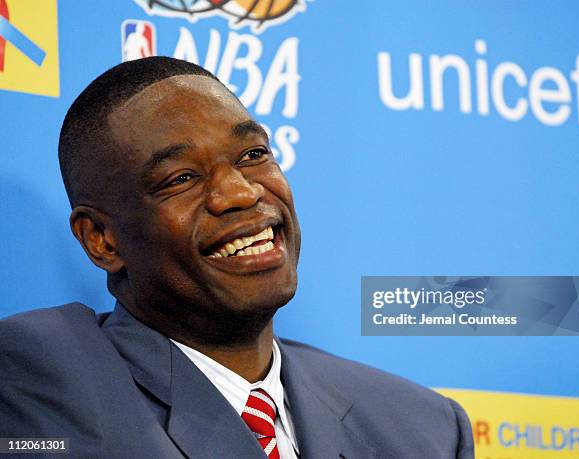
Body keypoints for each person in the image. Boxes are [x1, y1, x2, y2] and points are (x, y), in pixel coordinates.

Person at [0, 57, 474, 459]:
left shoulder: (424, 428)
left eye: (252, 154)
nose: (241, 193)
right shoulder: (33, 375)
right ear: (102, 239)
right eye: (181, 178)